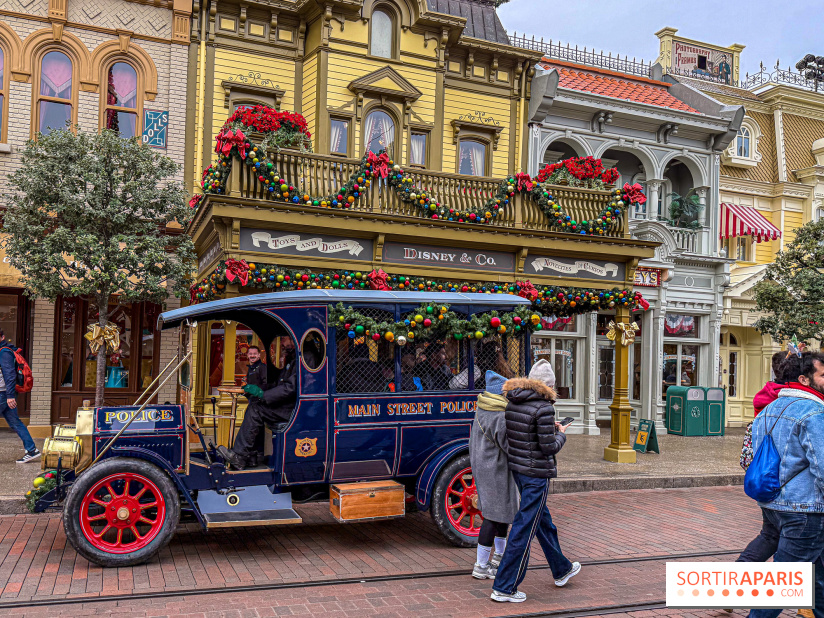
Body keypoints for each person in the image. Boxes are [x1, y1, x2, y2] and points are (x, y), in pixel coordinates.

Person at [491, 359, 579, 603]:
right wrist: (561, 434)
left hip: (520, 470)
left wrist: (549, 428)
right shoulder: (544, 408)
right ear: (548, 386)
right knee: (524, 528)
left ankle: (561, 568)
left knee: (542, 521)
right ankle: (505, 586)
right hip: (537, 474)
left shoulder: (514, 401)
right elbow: (548, 447)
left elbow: (524, 436)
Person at [746, 352, 824, 618]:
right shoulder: (815, 413)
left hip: (773, 502)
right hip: (805, 509)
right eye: (823, 375)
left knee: (818, 578)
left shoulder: (768, 410)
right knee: (785, 582)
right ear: (804, 379)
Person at [217, 337, 297, 469]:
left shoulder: (303, 358)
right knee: (255, 408)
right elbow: (278, 384)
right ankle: (251, 456)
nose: (282, 343)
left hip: (292, 408)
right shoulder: (292, 358)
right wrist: (259, 392)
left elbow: (290, 388)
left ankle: (240, 456)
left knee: (256, 409)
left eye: (283, 339)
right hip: (285, 404)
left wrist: (263, 394)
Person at [469, 370, 518, 580]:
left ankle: (498, 557)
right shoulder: (498, 415)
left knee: (500, 514)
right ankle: (481, 565)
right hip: (495, 470)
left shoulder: (483, 408)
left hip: (485, 467)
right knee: (493, 517)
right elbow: (509, 445)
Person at [0, 330, 39, 463]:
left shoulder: (4, 352)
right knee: (15, 422)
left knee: (16, 422)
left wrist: (10, 396)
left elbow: (10, 375)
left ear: (2, 337)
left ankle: (32, 449)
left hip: (3, 394)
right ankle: (32, 449)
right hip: (6, 394)